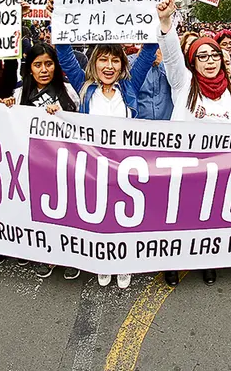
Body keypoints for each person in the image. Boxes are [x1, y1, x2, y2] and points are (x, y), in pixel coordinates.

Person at [55, 29, 157, 289]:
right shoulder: (84, 85)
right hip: (95, 167)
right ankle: (103, 260)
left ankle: (123, 262)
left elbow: (148, 51)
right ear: (94, 62)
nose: (109, 66)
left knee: (126, 215)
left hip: (126, 168)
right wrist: (58, 20)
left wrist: (156, 19)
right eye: (103, 59)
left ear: (122, 65)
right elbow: (64, 54)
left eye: (115, 60)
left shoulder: (129, 86)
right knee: (99, 214)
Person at [158, 0, 231, 287]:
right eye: (202, 56)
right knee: (177, 216)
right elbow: (171, 55)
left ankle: (207, 261)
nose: (209, 61)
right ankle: (171, 263)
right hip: (182, 168)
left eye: (214, 55)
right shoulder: (184, 83)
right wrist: (166, 21)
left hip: (216, 170)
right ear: (192, 61)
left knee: (209, 217)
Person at [1, 43, 79, 279]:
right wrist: (7, 109)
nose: (44, 70)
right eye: (38, 65)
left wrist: (63, 114)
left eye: (48, 64)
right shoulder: (19, 94)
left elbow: (82, 126)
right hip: (33, 166)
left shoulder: (69, 91)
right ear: (29, 68)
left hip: (64, 165)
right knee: (42, 213)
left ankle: (71, 256)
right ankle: (46, 255)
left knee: (67, 212)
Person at [131, 47, 173, 121]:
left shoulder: (172, 64)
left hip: (166, 123)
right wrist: (143, 60)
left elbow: (177, 83)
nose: (155, 51)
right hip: (139, 123)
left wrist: (163, 63)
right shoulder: (131, 62)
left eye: (159, 47)